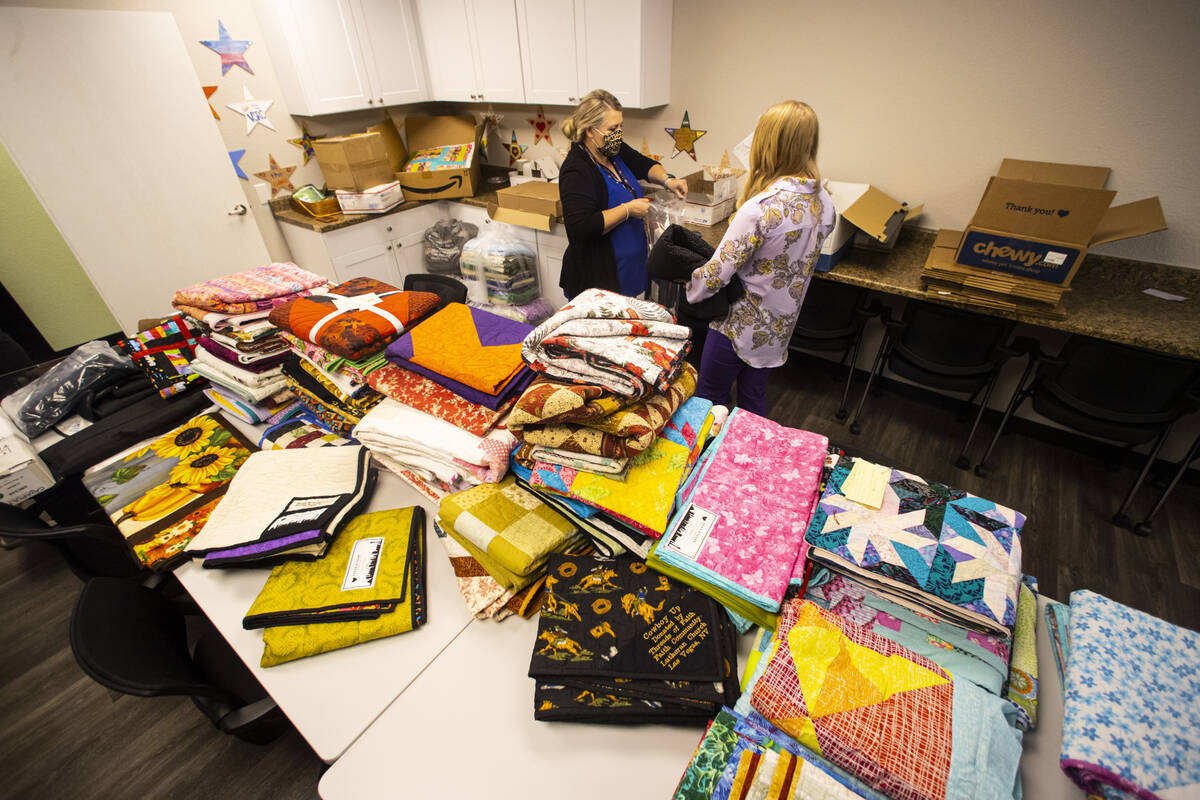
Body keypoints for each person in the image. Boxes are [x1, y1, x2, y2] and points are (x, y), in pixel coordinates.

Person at [684, 100, 835, 417]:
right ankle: (749, 461)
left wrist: (690, 290)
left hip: (736, 328)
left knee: (709, 405)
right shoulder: (824, 202)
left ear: (769, 145)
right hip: (777, 330)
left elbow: (715, 275)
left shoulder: (761, 208)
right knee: (752, 405)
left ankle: (708, 464)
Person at [559, 90, 688, 299]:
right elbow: (581, 227)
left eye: (620, 126)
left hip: (629, 270)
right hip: (598, 279)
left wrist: (668, 180)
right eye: (612, 128)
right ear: (590, 131)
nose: (618, 133)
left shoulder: (613, 150)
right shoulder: (576, 169)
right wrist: (628, 210)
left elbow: (643, 164)